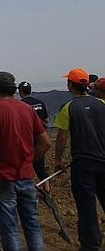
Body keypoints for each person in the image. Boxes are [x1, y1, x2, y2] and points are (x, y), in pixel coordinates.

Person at [0, 71, 51, 251]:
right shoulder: (27, 109)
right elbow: (46, 142)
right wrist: (31, 160)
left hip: (3, 178)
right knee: (33, 225)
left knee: (10, 229)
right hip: (26, 177)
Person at [53, 68, 105, 251]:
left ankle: (91, 244)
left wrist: (57, 160)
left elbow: (62, 136)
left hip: (83, 163)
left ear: (70, 85)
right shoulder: (102, 103)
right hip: (103, 159)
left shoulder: (68, 107)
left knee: (86, 205)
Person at [18, 81, 51, 192]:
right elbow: (46, 120)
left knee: (24, 163)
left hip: (26, 138)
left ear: (20, 91)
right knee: (39, 163)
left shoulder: (19, 105)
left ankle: (25, 189)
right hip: (40, 137)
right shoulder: (40, 103)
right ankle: (46, 189)